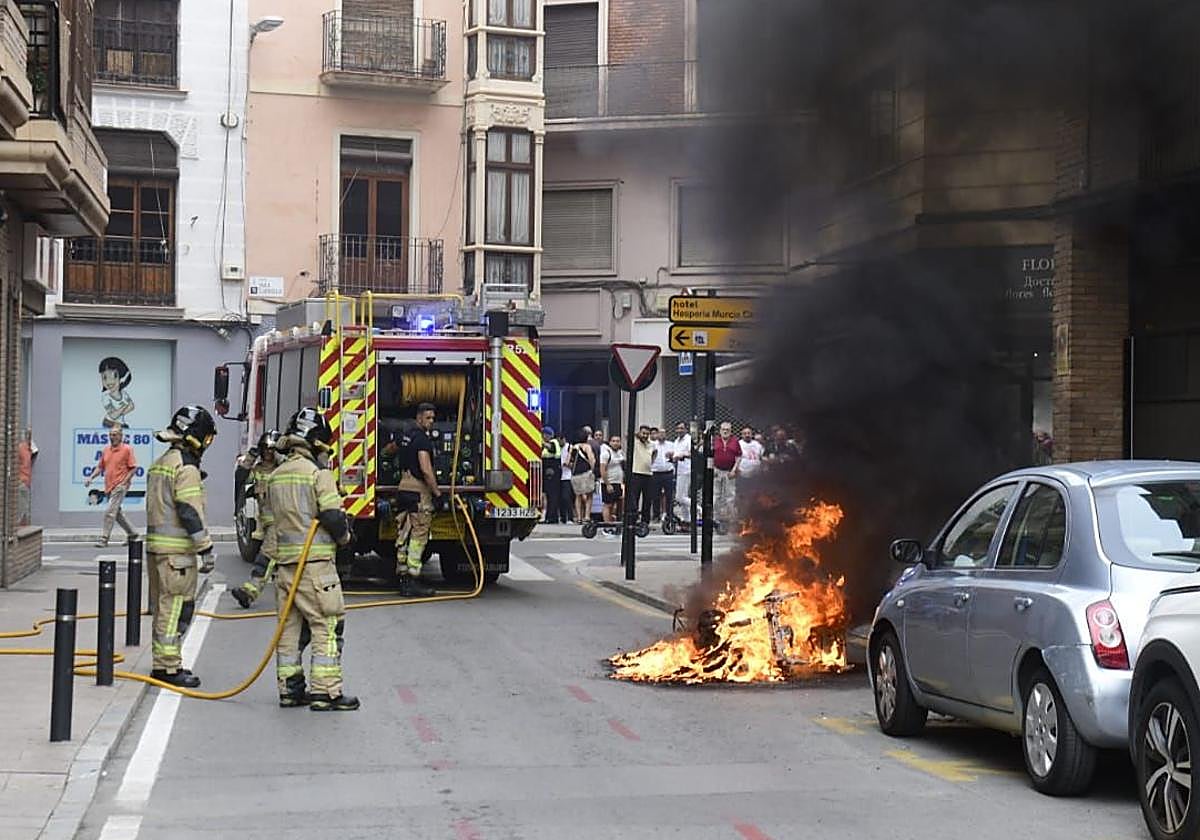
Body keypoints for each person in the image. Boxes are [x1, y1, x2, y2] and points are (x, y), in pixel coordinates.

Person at [268, 407, 358, 711]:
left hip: (286, 568)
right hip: (316, 567)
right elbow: (333, 516)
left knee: (289, 629)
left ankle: (290, 690)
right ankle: (326, 691)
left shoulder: (276, 476)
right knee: (328, 625)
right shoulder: (319, 475)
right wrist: (346, 538)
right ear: (315, 442)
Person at [145, 405, 216, 688]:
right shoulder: (185, 468)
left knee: (165, 609)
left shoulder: (162, 462)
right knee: (175, 610)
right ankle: (168, 669)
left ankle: (163, 663)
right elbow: (188, 510)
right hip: (176, 556)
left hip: (157, 551)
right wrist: (205, 548)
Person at [393, 402, 441, 597]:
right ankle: (412, 578)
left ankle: (403, 577)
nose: (431, 422)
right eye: (428, 418)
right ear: (419, 417)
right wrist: (437, 493)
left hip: (403, 488)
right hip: (418, 491)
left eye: (433, 418)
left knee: (404, 533)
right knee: (419, 535)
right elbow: (426, 470)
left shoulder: (405, 436)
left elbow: (389, 449)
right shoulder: (422, 440)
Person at [230, 430, 282, 609]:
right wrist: (249, 459)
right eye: (265, 449)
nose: (268, 453)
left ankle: (249, 592)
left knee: (266, 558)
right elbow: (241, 478)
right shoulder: (257, 470)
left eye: (272, 450)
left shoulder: (284, 469)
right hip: (266, 524)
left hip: (282, 522)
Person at [85, 425, 139, 547]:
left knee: (110, 512)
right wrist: (91, 477)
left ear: (121, 436)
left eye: (114, 434)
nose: (112, 437)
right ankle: (133, 534)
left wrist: (125, 481)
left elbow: (134, 467)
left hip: (120, 485)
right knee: (117, 513)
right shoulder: (106, 450)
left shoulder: (127, 449)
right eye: (110, 434)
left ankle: (104, 539)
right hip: (109, 486)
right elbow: (100, 467)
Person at [712, 422, 739, 526]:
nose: (725, 431)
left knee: (730, 496)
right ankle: (714, 518)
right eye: (723, 429)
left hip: (729, 472)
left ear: (731, 431)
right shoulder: (715, 441)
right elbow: (709, 456)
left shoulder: (735, 442)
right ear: (720, 430)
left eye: (727, 429)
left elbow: (738, 457)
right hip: (717, 471)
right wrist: (713, 469)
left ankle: (732, 519)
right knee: (716, 495)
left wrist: (734, 470)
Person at [628, 425, 655, 524]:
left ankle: (645, 521)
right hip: (636, 473)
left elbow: (654, 454)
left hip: (648, 474)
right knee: (635, 498)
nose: (645, 435)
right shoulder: (635, 442)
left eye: (647, 434)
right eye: (643, 433)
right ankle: (633, 520)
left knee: (647, 499)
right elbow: (628, 435)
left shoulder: (652, 444)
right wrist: (638, 435)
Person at [568, 430, 596, 524]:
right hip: (586, 473)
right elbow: (591, 459)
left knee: (578, 496)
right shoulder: (587, 446)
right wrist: (592, 469)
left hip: (575, 474)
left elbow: (568, 462)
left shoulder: (573, 447)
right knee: (589, 495)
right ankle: (587, 517)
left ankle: (579, 517)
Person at [649, 427, 674, 522]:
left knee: (669, 495)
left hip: (668, 473)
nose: (661, 435)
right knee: (655, 495)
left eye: (663, 433)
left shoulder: (671, 445)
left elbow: (675, 456)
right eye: (660, 433)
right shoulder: (652, 445)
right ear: (657, 434)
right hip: (655, 473)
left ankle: (669, 515)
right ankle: (656, 515)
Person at [600, 435, 625, 523]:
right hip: (609, 482)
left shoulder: (620, 453)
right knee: (608, 504)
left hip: (618, 482)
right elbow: (602, 469)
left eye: (617, 441)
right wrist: (607, 484)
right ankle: (607, 526)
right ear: (610, 442)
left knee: (617, 503)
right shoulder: (606, 453)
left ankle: (614, 523)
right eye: (613, 441)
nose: (615, 443)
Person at [670, 421, 692, 515]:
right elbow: (676, 455)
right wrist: (671, 455)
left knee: (679, 497)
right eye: (678, 428)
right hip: (678, 470)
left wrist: (682, 455)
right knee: (683, 496)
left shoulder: (689, 439)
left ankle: (699, 510)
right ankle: (687, 520)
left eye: (682, 428)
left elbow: (693, 454)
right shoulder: (676, 441)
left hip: (686, 470)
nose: (679, 430)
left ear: (686, 429)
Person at [540, 426, 562, 524]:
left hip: (552, 471)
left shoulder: (553, 442)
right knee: (547, 495)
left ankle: (552, 517)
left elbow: (551, 449)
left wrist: (541, 442)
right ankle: (547, 516)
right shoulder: (549, 443)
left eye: (544, 434)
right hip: (548, 471)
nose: (543, 436)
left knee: (552, 496)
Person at [16, 428, 36, 526]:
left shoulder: (29, 449)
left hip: (26, 481)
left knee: (24, 506)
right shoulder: (21, 448)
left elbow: (35, 451)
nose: (29, 437)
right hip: (22, 481)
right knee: (22, 506)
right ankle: (18, 527)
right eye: (28, 435)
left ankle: (21, 526)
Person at [558, 432, 574, 523]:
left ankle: (570, 517)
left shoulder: (569, 447)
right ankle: (563, 517)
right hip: (558, 476)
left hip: (567, 476)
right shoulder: (557, 448)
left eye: (561, 440)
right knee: (560, 498)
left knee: (566, 497)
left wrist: (568, 464)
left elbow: (573, 462)